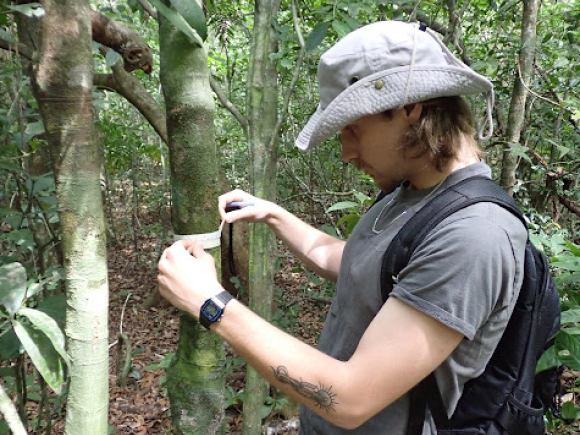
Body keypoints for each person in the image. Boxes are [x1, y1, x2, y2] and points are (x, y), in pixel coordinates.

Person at [158, 21, 528, 434]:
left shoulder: (473, 235)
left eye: (353, 128)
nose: (347, 152)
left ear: (412, 107)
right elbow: (352, 261)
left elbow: (352, 398)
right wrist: (273, 214)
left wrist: (211, 304)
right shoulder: (410, 192)